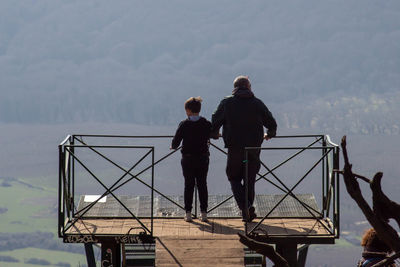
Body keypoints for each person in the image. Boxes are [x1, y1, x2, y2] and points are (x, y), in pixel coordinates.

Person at [211, 75, 277, 222]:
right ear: (248, 87)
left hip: (234, 148)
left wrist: (215, 134)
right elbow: (271, 122)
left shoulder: (227, 103)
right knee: (250, 180)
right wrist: (270, 134)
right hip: (253, 148)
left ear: (234, 88)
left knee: (233, 177)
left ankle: (245, 208)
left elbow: (215, 121)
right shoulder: (257, 103)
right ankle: (247, 211)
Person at [171, 97, 212, 222]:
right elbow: (213, 135)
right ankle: (204, 213)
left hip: (188, 159)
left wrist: (173, 147)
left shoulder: (184, 124)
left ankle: (188, 213)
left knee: (188, 185)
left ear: (188, 110)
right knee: (202, 184)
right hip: (203, 158)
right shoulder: (206, 123)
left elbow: (175, 142)